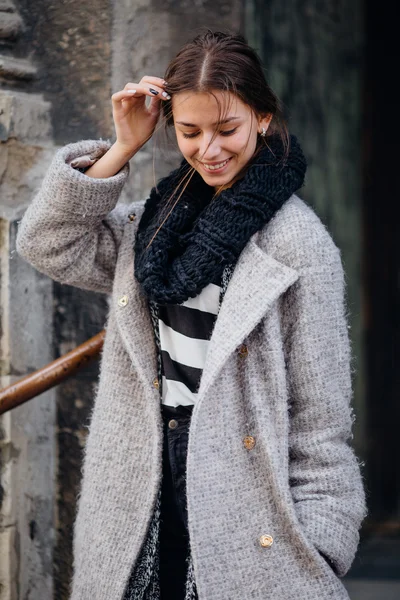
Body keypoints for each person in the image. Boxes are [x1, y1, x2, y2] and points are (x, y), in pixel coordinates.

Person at [16, 30, 366, 600]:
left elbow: (321, 419)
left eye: (226, 129)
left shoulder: (300, 246)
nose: (210, 149)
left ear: (263, 117)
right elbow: (48, 243)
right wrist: (123, 146)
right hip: (142, 478)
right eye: (190, 131)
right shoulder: (155, 225)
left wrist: (322, 547)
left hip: (245, 500)